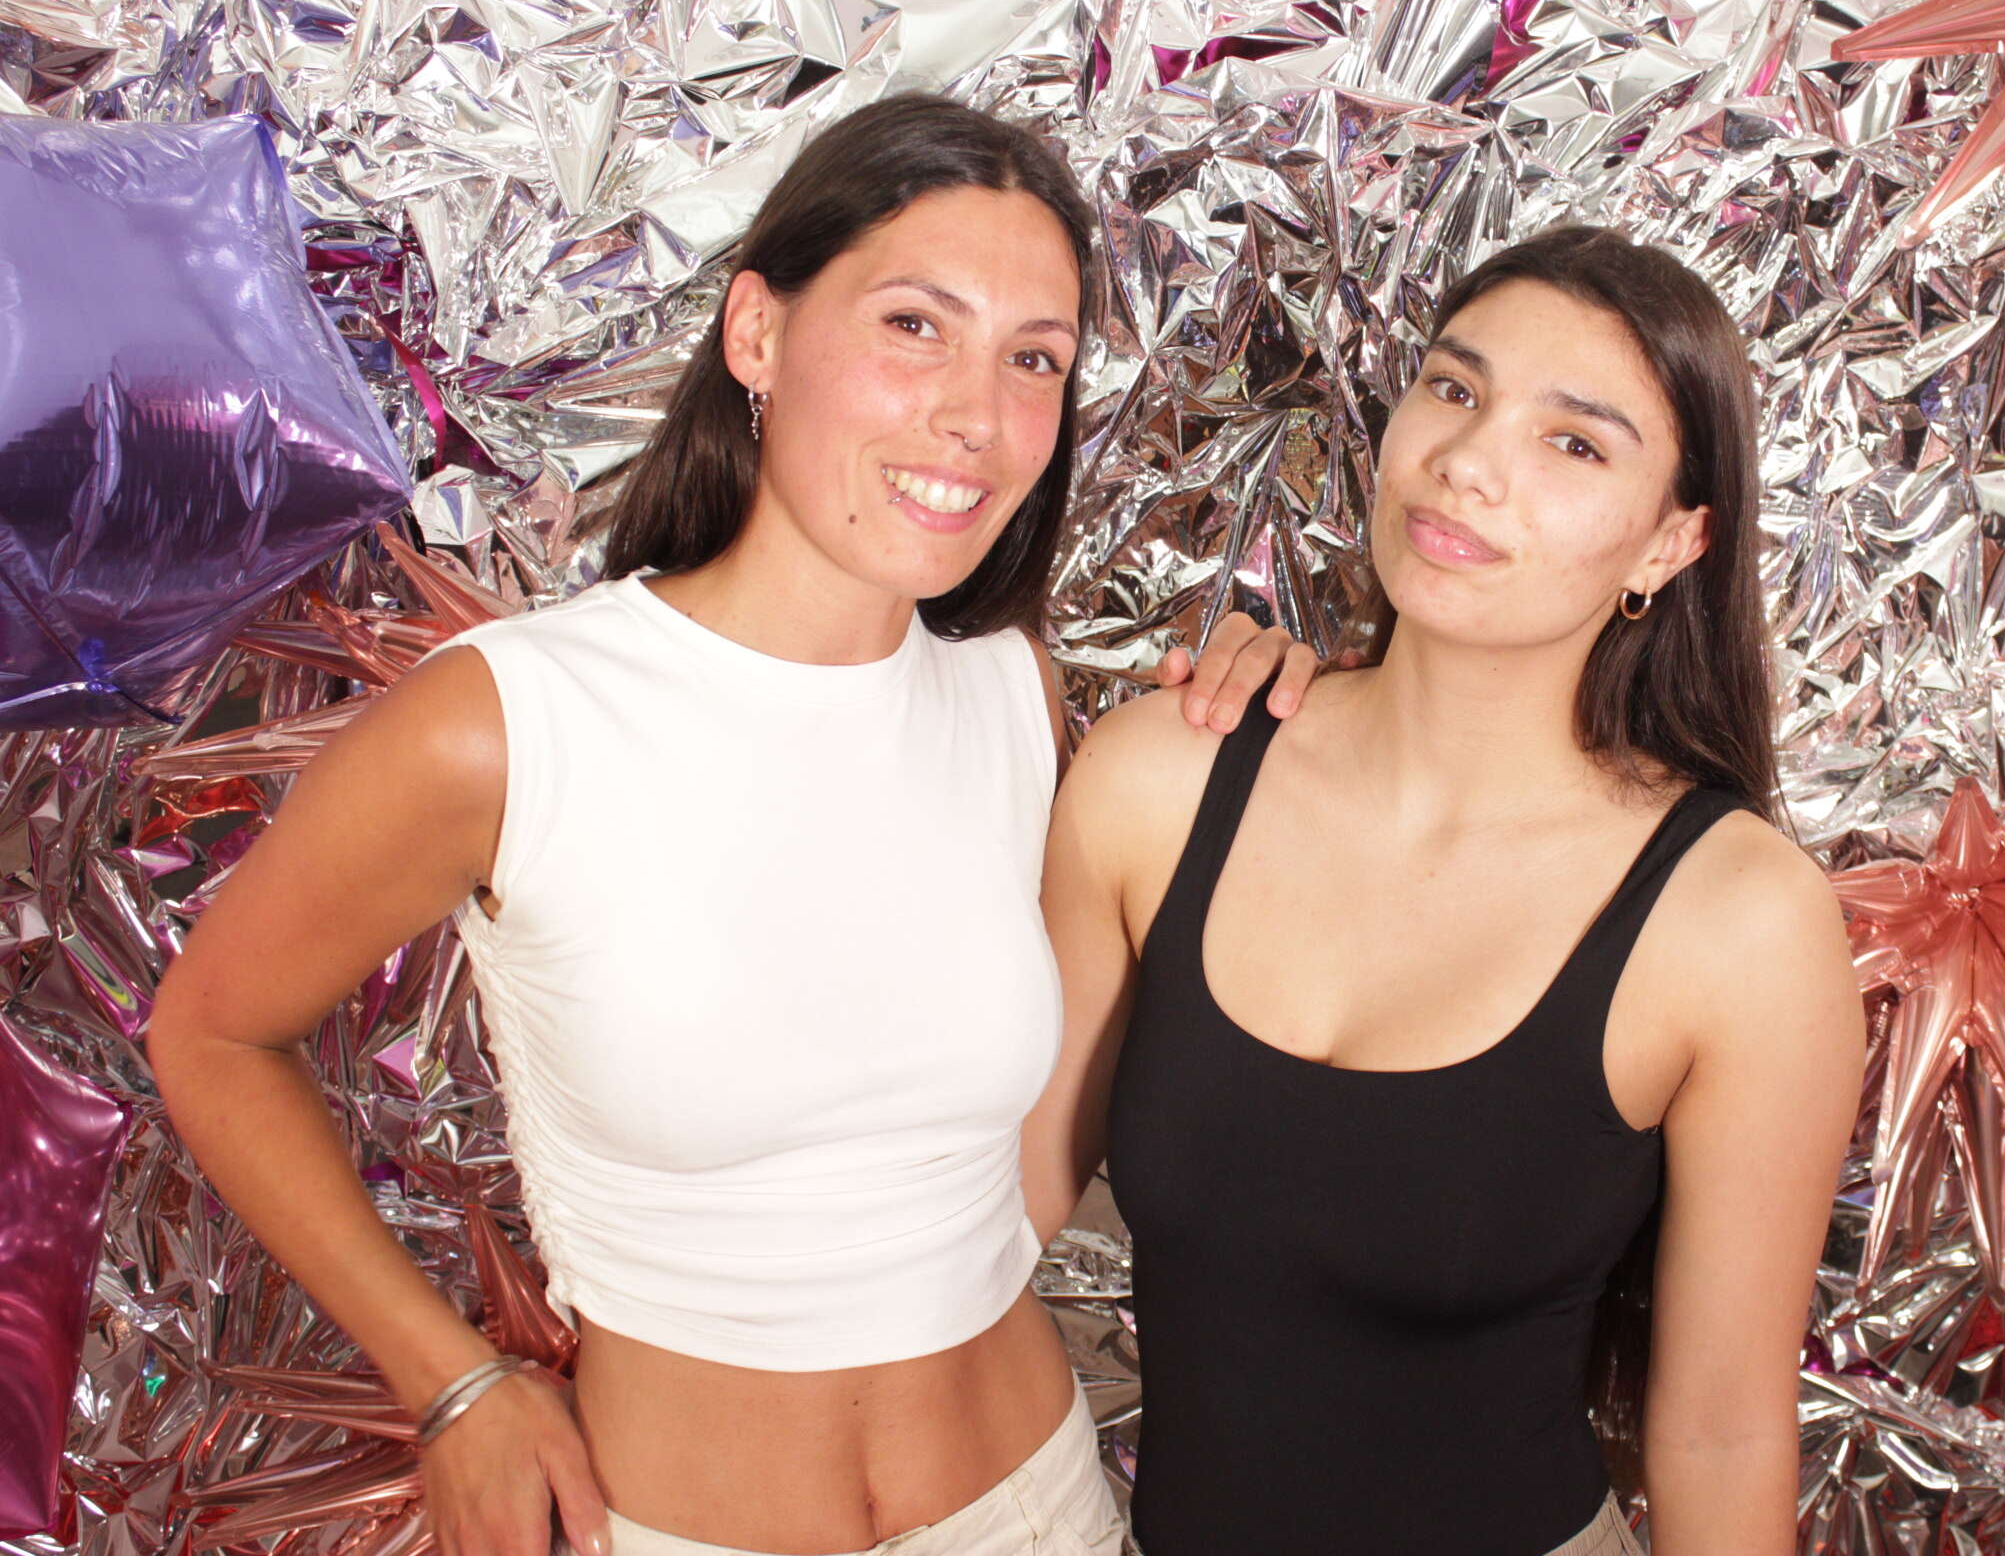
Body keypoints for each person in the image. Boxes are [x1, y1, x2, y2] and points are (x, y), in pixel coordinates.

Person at [147, 92, 1315, 1556]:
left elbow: (1029, 1130)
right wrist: (450, 1382)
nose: (977, 414)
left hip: (1036, 1509)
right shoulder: (511, 722)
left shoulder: (1011, 694)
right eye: (914, 325)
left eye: (1035, 358)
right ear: (757, 333)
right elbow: (211, 1031)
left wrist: (1291, 717)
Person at [1027, 226, 1865, 1555]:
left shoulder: (1737, 923)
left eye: (1574, 442)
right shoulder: (1159, 782)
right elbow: (977, 1223)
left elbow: (1721, 1431)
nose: (1471, 461)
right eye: (1456, 388)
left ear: (1670, 543)